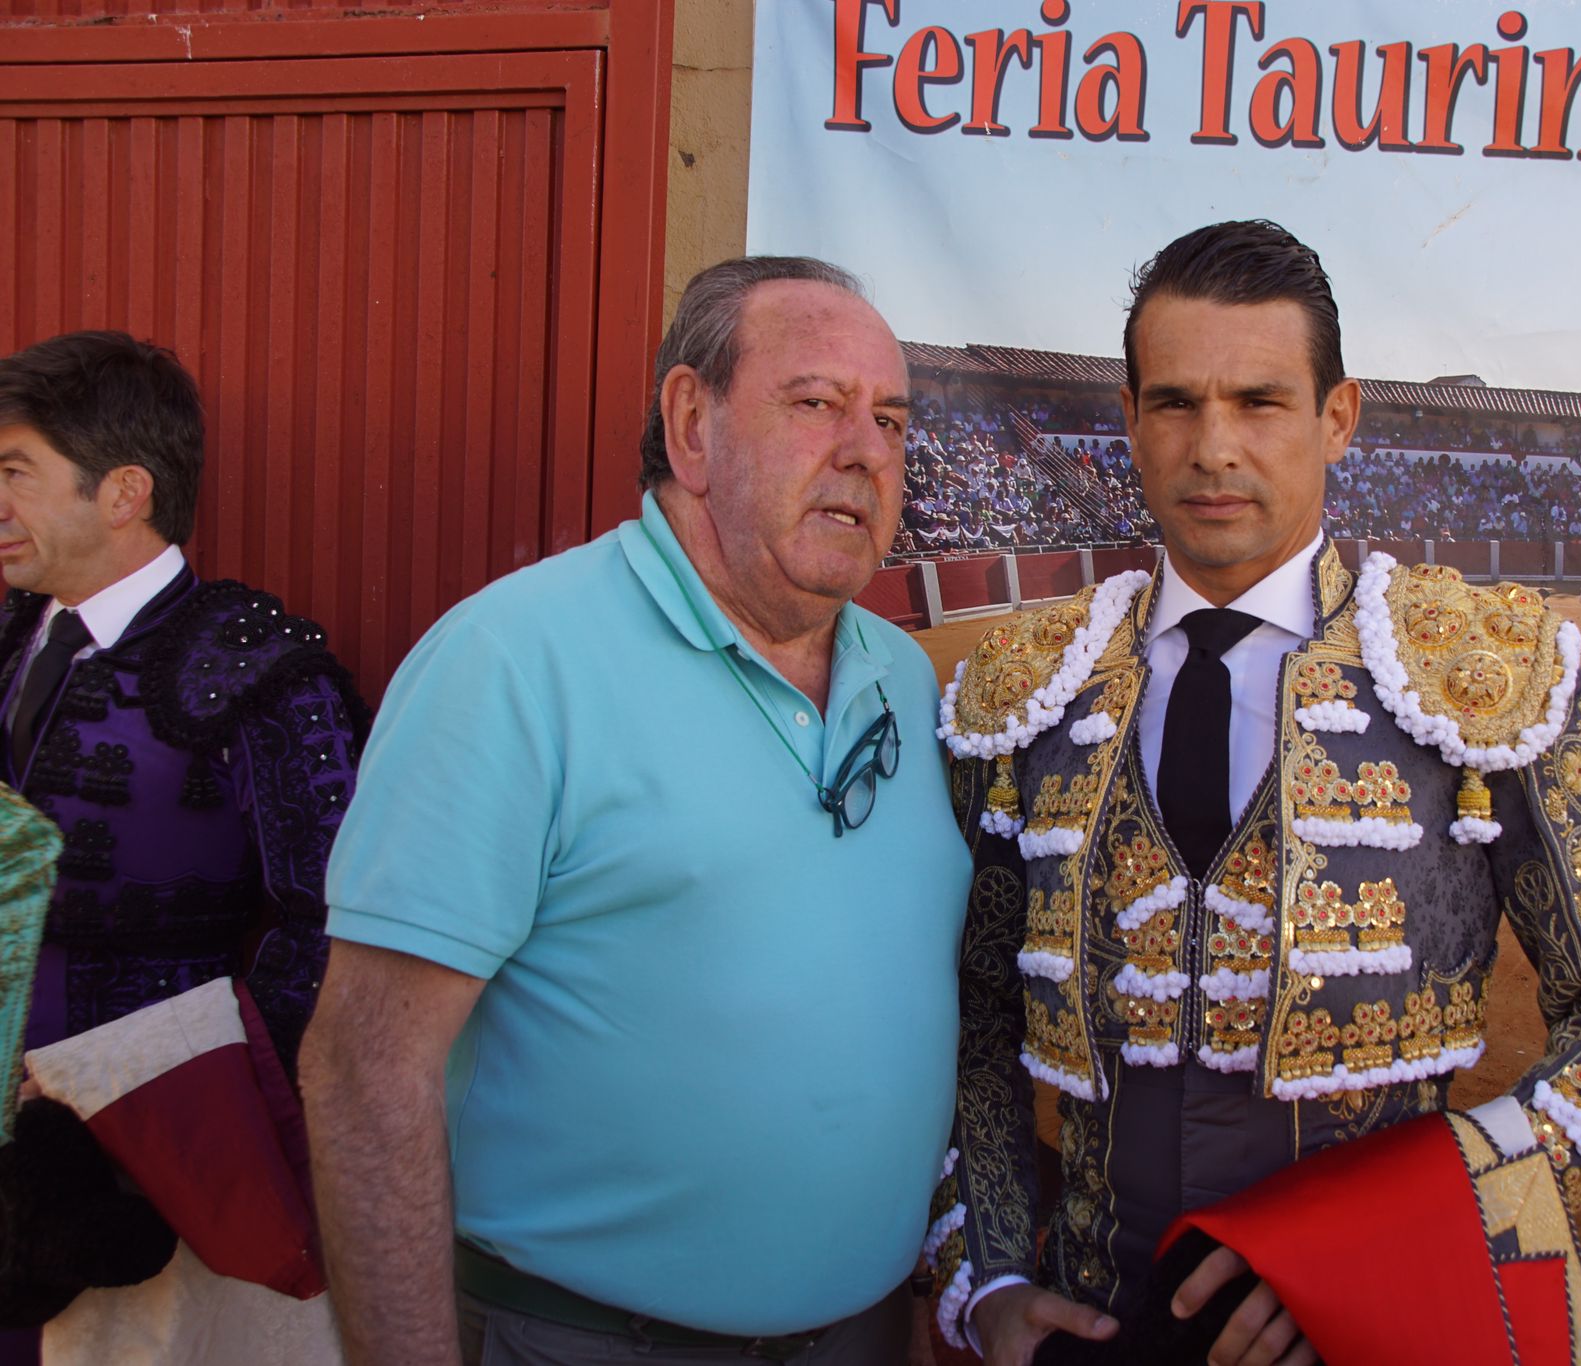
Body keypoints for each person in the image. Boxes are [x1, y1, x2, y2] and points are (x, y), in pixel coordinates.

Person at [930, 222, 1581, 1365]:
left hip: (1368, 1334)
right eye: (1176, 403)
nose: (1213, 449)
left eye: (1259, 401)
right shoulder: (1025, 691)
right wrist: (989, 1273)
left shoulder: (1482, 673)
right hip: (1085, 1328)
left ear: (1336, 417)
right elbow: (973, 1019)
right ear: (1131, 420)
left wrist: (1399, 1240)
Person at [300, 258, 974, 1365]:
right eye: (815, 403)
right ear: (690, 423)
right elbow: (366, 1069)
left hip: (858, 1333)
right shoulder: (510, 661)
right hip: (581, 1337)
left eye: (891, 420)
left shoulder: (901, 675)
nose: (866, 449)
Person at [0, 330, 366, 1355]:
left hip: (159, 1152)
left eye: (14, 472)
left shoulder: (258, 670)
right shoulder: (13, 638)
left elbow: (332, 925)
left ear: (123, 492)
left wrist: (196, 1140)